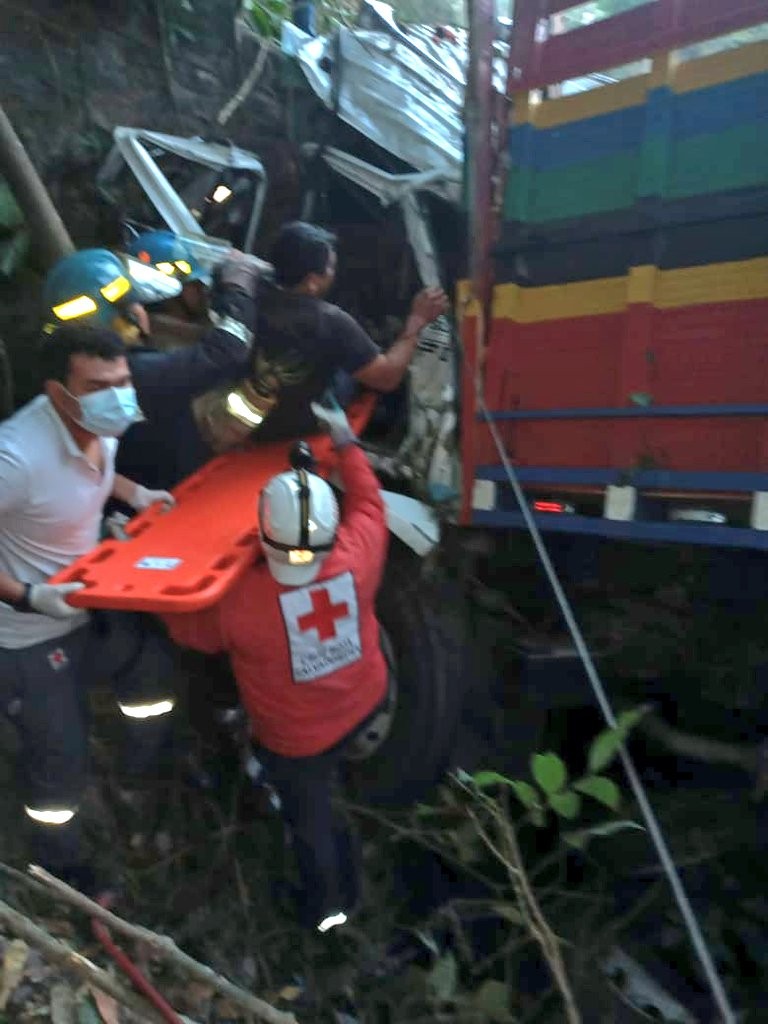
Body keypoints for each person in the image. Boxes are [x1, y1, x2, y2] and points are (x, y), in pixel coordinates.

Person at [164, 398, 390, 932]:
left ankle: (327, 914)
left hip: (298, 743)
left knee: (310, 823)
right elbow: (371, 504)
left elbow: (185, 630)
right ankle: (347, 871)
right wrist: (348, 445)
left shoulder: (242, 607)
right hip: (365, 701)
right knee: (326, 804)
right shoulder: (358, 554)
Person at [0, 325, 178, 893]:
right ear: (58, 392)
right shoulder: (16, 456)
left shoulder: (106, 424)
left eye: (123, 381)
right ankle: (59, 865)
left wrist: (131, 496)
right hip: (26, 636)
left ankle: (135, 774)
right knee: (59, 767)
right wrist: (28, 595)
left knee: (152, 671)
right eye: (100, 386)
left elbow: (91, 477)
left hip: (88, 604)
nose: (117, 396)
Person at [43, 243, 259, 489]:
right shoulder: (134, 375)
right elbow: (227, 350)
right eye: (141, 306)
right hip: (170, 492)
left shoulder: (69, 375)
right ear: (126, 320)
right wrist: (239, 288)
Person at [228, 220, 448, 444]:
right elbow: (387, 377)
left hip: (246, 415)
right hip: (292, 429)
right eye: (331, 268)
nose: (334, 274)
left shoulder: (248, 292)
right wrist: (416, 321)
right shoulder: (331, 322)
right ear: (312, 282)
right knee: (351, 370)